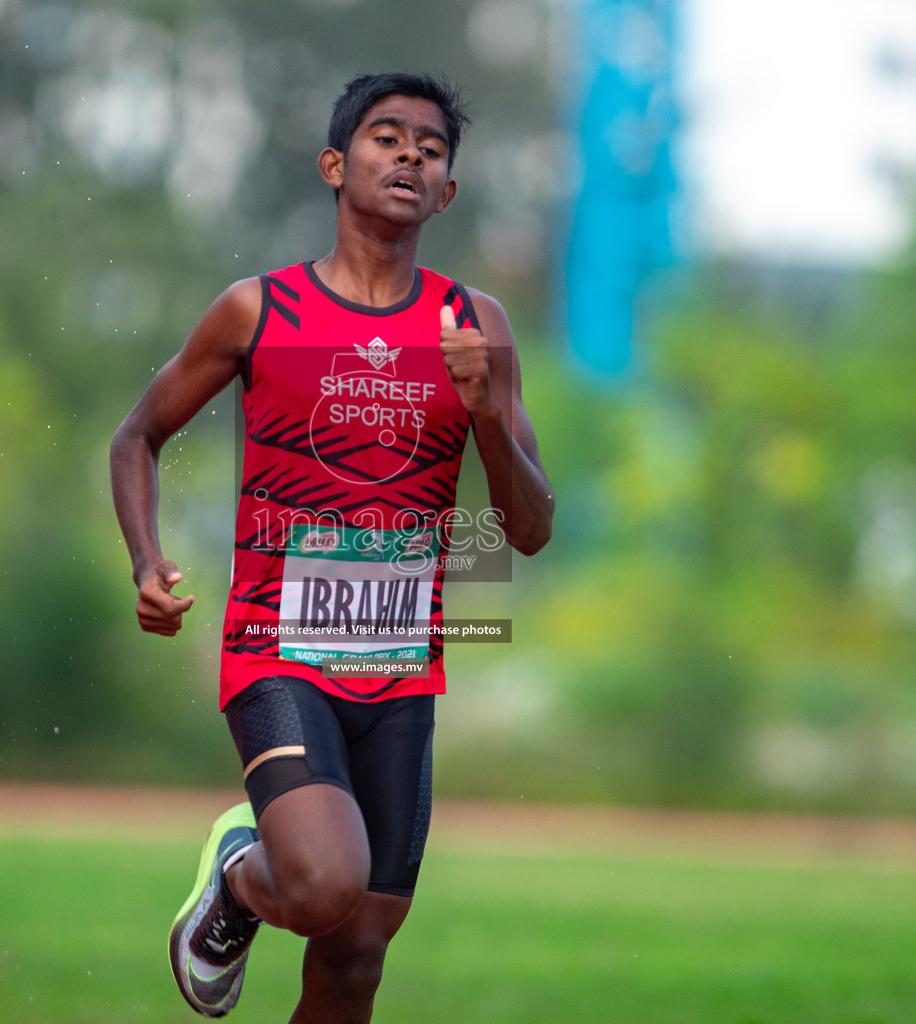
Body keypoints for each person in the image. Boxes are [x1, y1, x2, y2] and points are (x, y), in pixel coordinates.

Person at [109, 71, 553, 1022]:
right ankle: (239, 877)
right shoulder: (256, 311)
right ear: (333, 165)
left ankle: (262, 883)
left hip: (400, 668)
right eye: (386, 138)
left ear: (449, 192)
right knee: (320, 887)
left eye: (430, 150)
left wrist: (482, 413)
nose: (409, 156)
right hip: (279, 649)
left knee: (355, 956)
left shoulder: (476, 328)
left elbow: (529, 526)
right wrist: (146, 561)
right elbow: (136, 435)